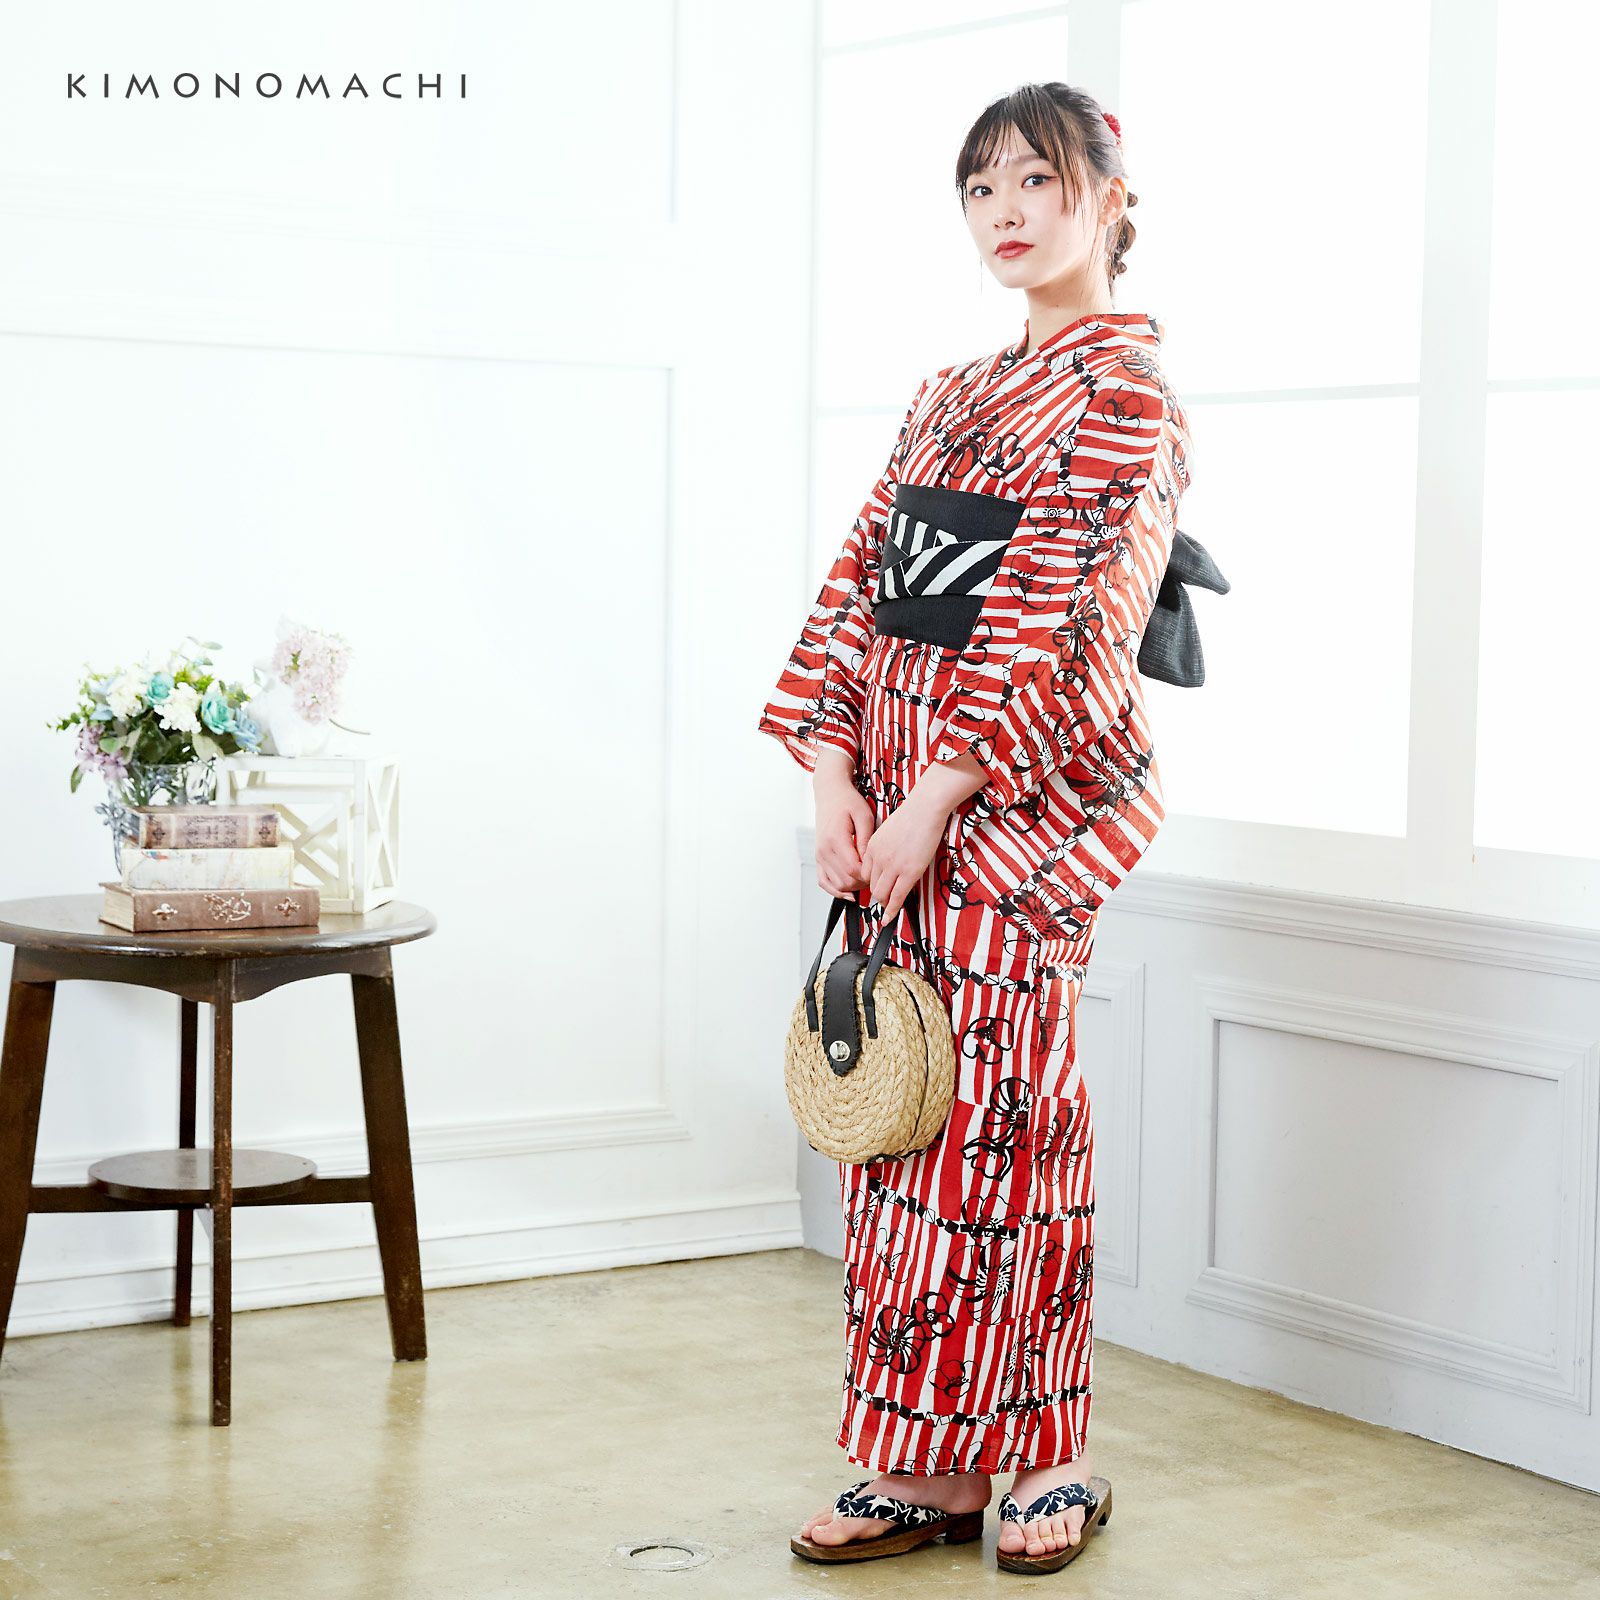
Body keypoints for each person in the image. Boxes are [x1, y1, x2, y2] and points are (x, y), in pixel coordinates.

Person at [758, 81, 1194, 1574]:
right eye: (981, 187)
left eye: (1038, 181)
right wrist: (833, 773)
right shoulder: (947, 392)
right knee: (902, 1123)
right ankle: (924, 1463)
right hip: (887, 797)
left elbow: (1067, 618)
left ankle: (1047, 1455)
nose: (1006, 212)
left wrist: (940, 796)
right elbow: (861, 583)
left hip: (1009, 815)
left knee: (1016, 1127)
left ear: (1109, 198)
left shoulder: (1127, 395)